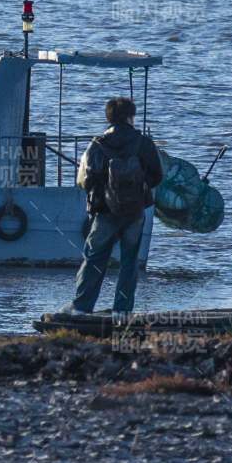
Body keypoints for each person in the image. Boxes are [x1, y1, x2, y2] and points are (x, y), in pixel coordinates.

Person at [64, 97, 164, 314]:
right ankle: (122, 310)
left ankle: (81, 307)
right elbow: (157, 175)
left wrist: (103, 193)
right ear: (130, 117)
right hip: (135, 212)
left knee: (94, 259)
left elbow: (84, 180)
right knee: (129, 262)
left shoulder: (97, 144)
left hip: (104, 211)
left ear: (108, 117)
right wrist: (137, 190)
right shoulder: (144, 143)